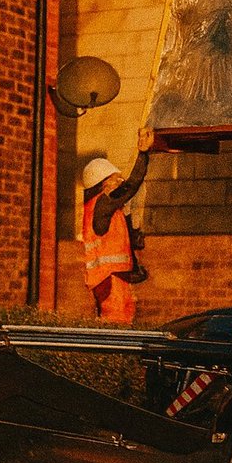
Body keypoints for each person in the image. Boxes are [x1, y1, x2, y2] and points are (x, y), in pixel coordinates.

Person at [81, 127, 156, 324]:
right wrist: (143, 153)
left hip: (105, 276)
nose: (120, 181)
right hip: (109, 277)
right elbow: (132, 185)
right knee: (118, 318)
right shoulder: (104, 203)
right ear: (104, 183)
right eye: (115, 178)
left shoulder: (96, 207)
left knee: (119, 313)